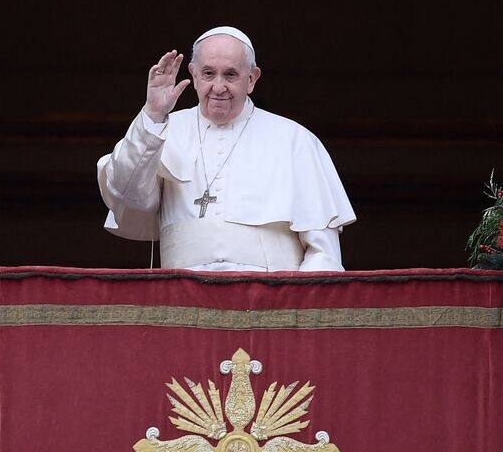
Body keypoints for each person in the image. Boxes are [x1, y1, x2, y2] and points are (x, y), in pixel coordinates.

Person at [97, 25, 355, 271]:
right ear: (194, 75)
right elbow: (125, 193)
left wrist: (293, 310)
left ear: (252, 79)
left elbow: (324, 255)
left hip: (268, 306)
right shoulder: (162, 129)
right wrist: (153, 115)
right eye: (208, 73)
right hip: (182, 304)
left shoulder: (295, 140)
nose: (218, 87)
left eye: (230, 74)